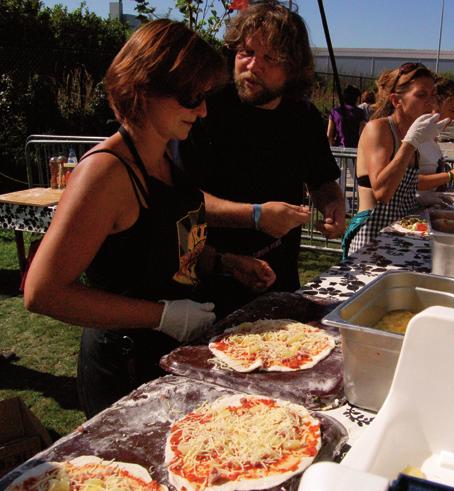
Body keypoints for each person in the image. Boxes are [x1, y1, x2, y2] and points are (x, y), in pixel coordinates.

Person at [23, 19, 275, 418]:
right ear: (143, 88)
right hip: (124, 366)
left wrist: (223, 262)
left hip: (167, 354)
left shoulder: (168, 153)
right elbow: (43, 292)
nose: (203, 109)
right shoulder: (106, 173)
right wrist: (163, 316)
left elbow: (158, 241)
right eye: (192, 96)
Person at [180, 1, 345, 316]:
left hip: (280, 279)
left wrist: (333, 205)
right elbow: (181, 198)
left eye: (271, 58)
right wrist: (254, 215)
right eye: (246, 52)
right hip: (208, 284)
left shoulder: (304, 117)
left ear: (293, 68)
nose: (253, 66)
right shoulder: (205, 110)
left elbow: (322, 179)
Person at [342, 62, 450, 258]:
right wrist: (410, 143)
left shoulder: (412, 135)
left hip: (398, 238)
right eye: (421, 95)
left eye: (433, 94)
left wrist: (420, 199)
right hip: (370, 238)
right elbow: (383, 192)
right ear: (396, 100)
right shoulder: (379, 129)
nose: (431, 102)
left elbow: (401, 192)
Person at [418, 77, 454, 191]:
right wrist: (452, 174)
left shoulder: (431, 137)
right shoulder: (415, 136)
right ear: (434, 105)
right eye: (452, 110)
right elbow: (408, 182)